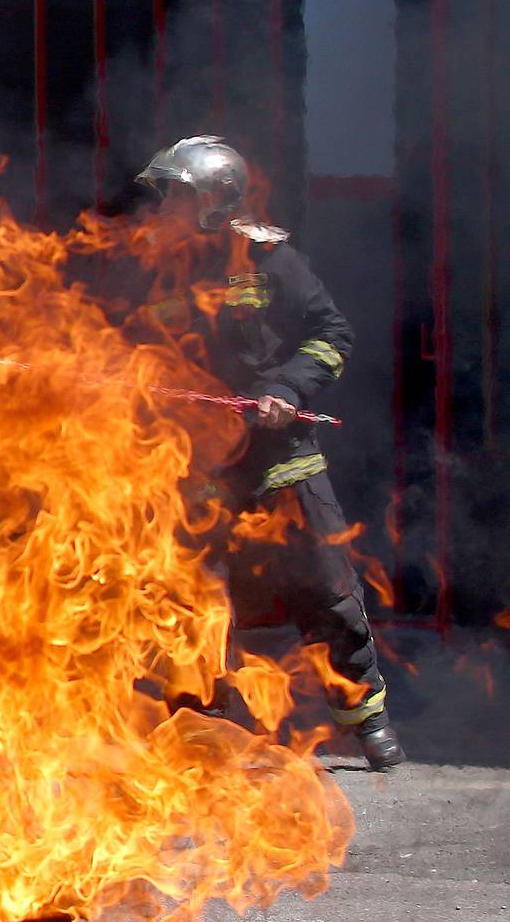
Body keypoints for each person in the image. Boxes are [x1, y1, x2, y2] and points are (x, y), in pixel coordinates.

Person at [136, 136, 405, 771]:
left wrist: (285, 389)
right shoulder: (154, 266)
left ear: (211, 200)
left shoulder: (268, 259)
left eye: (178, 192)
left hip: (280, 459)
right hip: (196, 464)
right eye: (167, 192)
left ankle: (365, 719)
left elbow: (332, 334)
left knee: (327, 590)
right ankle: (200, 727)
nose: (166, 204)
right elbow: (131, 349)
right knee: (193, 600)